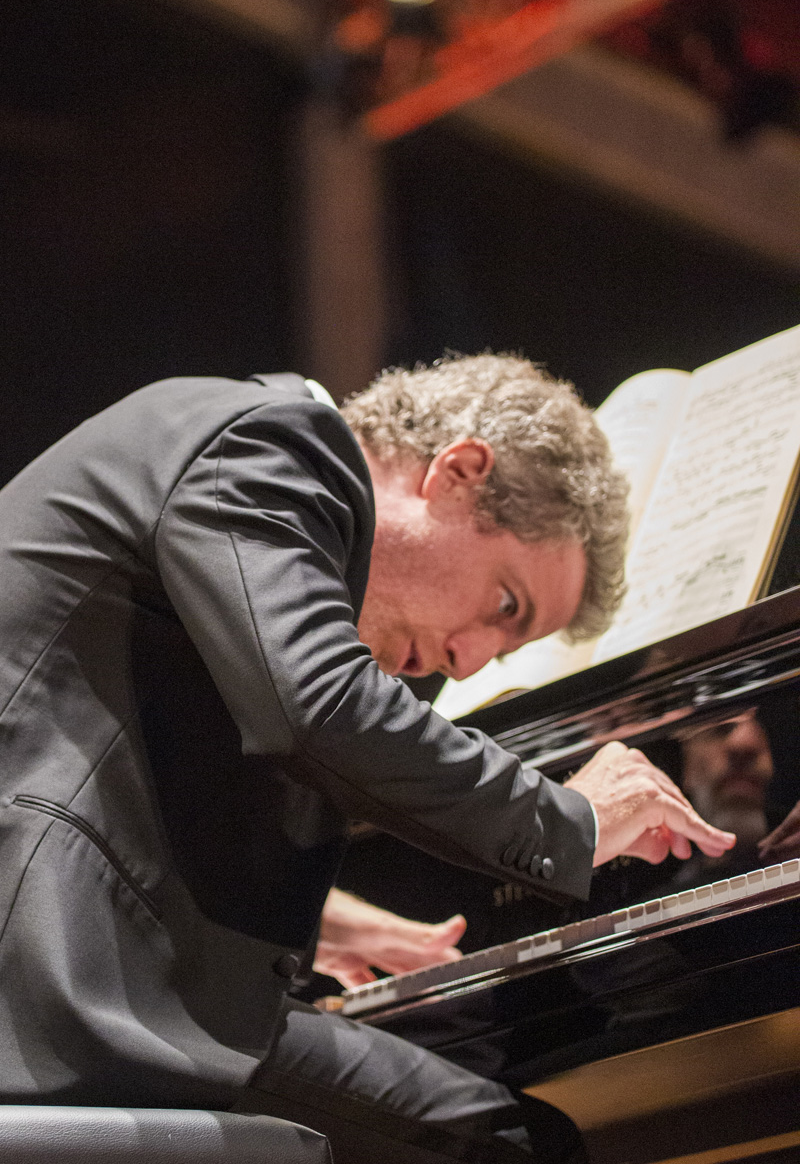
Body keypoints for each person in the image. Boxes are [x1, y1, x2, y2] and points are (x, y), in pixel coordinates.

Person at [0, 354, 735, 1162]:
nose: (468, 663)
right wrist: (574, 818)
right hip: (41, 980)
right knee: (504, 1148)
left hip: (88, 965)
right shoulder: (268, 445)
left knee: (512, 1138)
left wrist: (324, 921)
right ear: (457, 473)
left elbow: (102, 757)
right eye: (505, 604)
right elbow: (319, 706)